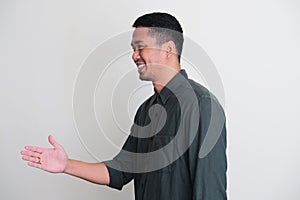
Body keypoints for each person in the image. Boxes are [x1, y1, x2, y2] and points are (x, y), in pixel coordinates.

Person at [21, 12, 227, 200]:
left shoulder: (201, 106)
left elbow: (210, 192)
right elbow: (120, 170)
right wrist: (66, 165)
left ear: (168, 49)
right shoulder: (145, 111)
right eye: (133, 49)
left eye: (141, 47)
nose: (134, 56)